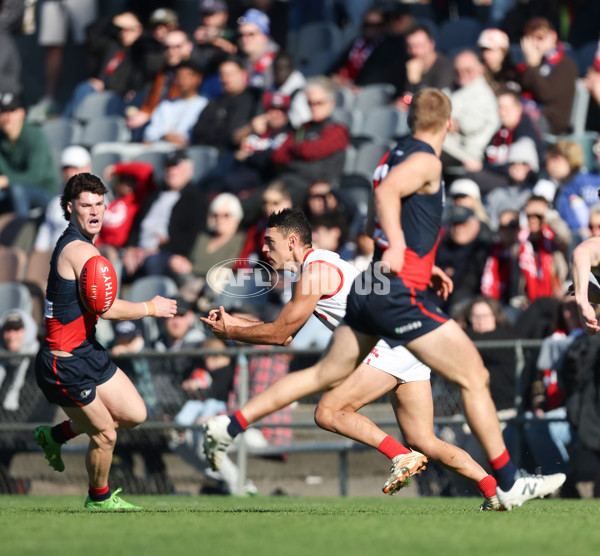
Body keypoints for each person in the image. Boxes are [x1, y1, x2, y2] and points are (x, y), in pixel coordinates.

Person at [203, 89, 566, 511]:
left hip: (384, 318)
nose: (264, 250)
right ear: (449, 125)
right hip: (391, 315)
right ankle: (502, 485)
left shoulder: (386, 164)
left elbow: (382, 202)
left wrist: (400, 252)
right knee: (446, 408)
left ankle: (232, 425)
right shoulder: (422, 162)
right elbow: (389, 203)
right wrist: (402, 252)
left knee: (347, 412)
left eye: (269, 243)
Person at [201, 208, 503, 509]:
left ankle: (400, 455)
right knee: (425, 441)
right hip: (404, 347)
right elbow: (286, 333)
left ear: (292, 241)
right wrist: (235, 325)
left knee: (328, 412)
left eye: (270, 241)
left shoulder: (314, 273)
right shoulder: (322, 263)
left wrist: (231, 333)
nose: (264, 248)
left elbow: (279, 335)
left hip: (386, 348)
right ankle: (494, 490)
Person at [32, 172, 177, 510]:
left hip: (87, 351)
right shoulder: (79, 250)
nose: (95, 211)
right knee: (106, 434)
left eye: (100, 204)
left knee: (134, 414)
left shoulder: (88, 245)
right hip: (63, 363)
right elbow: (107, 309)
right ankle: (98, 498)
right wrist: (150, 307)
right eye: (86, 205)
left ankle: (54, 435)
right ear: (70, 208)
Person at [271, 76, 350, 205]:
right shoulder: (303, 128)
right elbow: (278, 155)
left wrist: (294, 149)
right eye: (310, 103)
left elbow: (314, 150)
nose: (313, 107)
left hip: (313, 187)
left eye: (318, 103)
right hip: (288, 179)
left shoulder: (337, 130)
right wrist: (302, 151)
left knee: (276, 203)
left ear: (331, 104)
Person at [0, 309, 53, 494]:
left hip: (30, 426)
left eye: (17, 330)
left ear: (28, 331)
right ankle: (11, 485)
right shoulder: (5, 362)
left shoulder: (37, 361)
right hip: (7, 426)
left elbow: (30, 405)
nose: (11, 336)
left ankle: (12, 486)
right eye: (7, 330)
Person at [0, 91, 60, 217]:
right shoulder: (2, 139)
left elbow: (35, 176)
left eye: (11, 111)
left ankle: (20, 233)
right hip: (9, 190)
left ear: (21, 113)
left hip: (44, 191)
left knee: (18, 190)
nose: (6, 117)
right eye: (3, 112)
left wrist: (6, 180)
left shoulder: (35, 135)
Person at [517, 17, 578, 135]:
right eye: (530, 38)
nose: (535, 43)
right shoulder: (533, 62)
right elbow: (521, 88)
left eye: (540, 38)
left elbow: (545, 94)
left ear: (553, 36)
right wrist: (530, 66)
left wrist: (533, 67)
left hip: (551, 122)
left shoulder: (565, 64)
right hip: (529, 114)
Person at [441, 49, 500, 171]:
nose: (462, 74)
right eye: (458, 70)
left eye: (468, 70)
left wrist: (434, 123)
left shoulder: (482, 94)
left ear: (481, 69)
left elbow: (467, 125)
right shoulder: (454, 88)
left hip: (463, 154)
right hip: (445, 145)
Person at [33, 145, 92, 252]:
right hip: (52, 259)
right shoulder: (56, 202)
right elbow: (45, 232)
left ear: (87, 168)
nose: (70, 173)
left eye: (75, 168)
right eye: (66, 169)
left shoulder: (97, 200)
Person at [142, 60, 208, 147]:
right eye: (179, 76)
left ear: (198, 79)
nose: (182, 81)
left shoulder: (204, 105)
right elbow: (150, 131)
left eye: (186, 77)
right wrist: (164, 136)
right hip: (159, 150)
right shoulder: (166, 105)